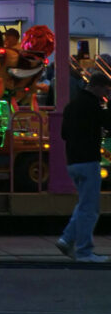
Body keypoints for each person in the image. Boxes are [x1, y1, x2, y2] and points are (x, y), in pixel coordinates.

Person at [56, 70, 111, 263]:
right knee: (90, 209)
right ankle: (84, 251)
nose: (106, 92)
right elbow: (109, 124)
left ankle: (67, 239)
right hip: (89, 161)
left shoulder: (72, 105)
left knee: (83, 204)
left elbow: (63, 134)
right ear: (96, 86)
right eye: (105, 89)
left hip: (73, 161)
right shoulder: (93, 106)